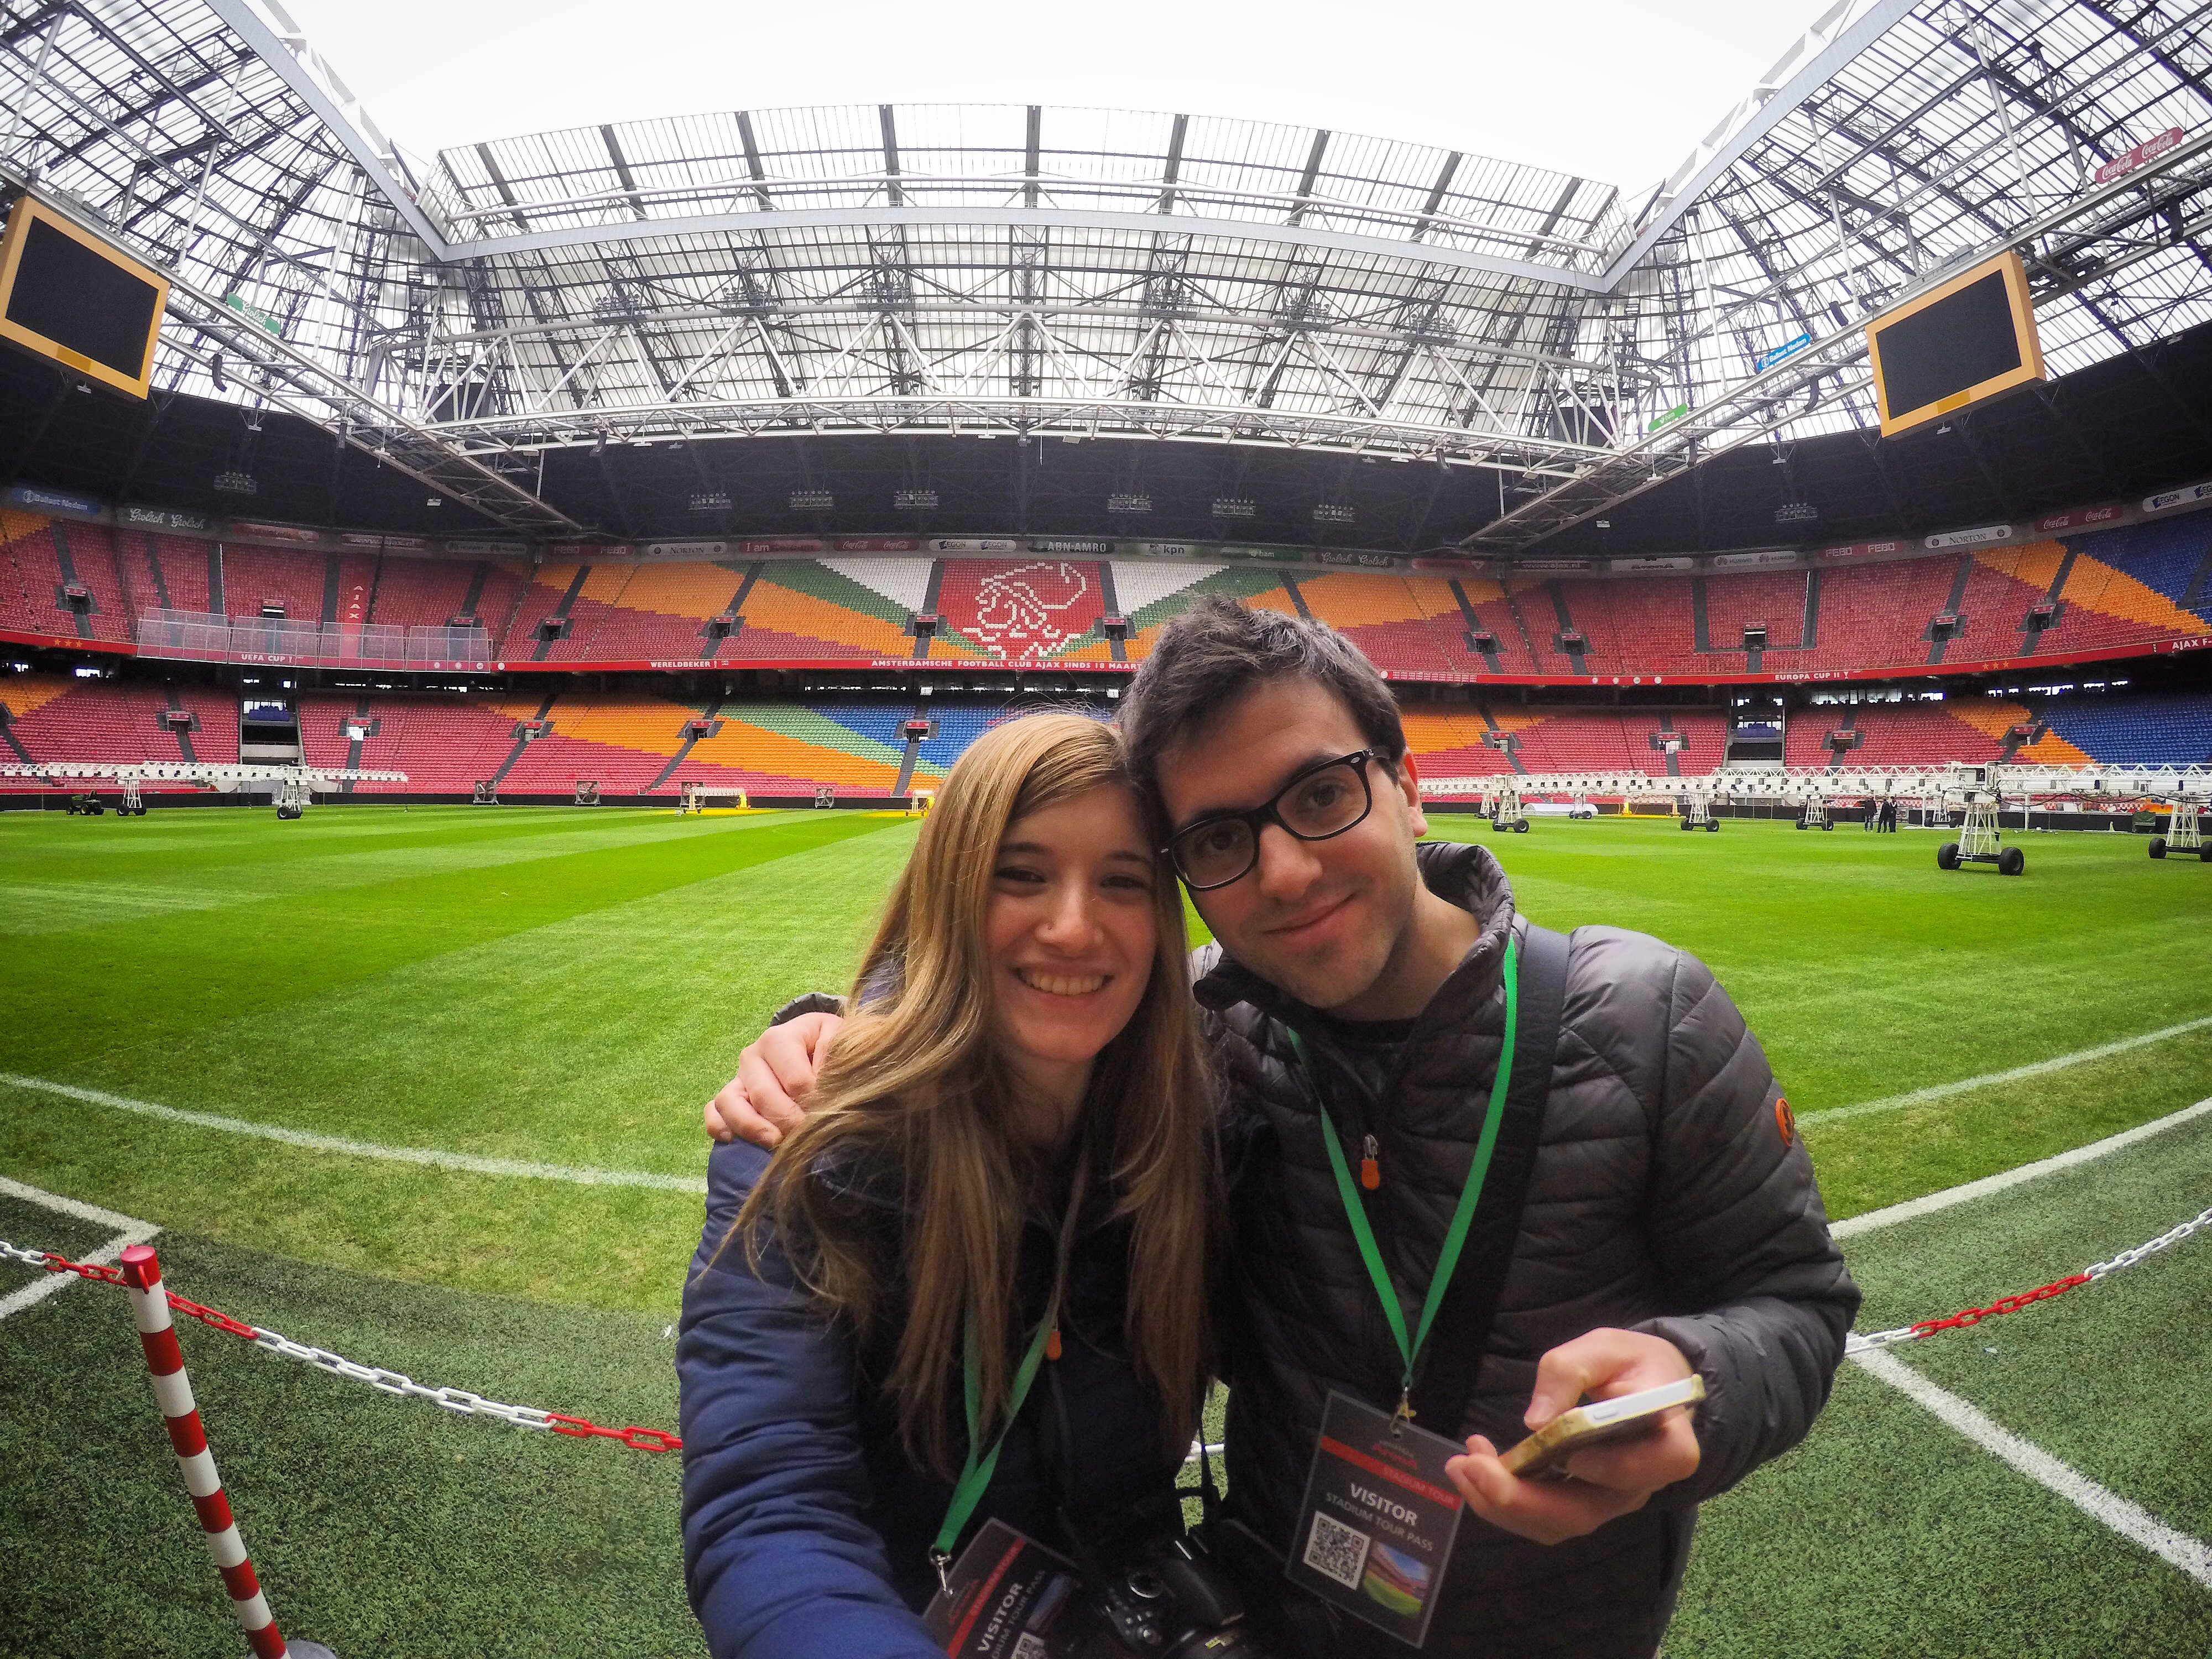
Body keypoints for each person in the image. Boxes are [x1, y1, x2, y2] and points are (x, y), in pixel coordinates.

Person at [710, 599, 1860, 1659]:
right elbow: (1002, 999)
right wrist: (829, 1030)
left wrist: (1692, 1377)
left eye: (1319, 796)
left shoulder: (1648, 1017)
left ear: (1405, 780)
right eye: (1216, 840)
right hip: (1269, 1618)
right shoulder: (1198, 1044)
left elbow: (1796, 1303)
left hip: (1553, 1630)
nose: (1285, 870)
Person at [678, 712, 1222, 1659]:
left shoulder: (1200, 1131)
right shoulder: (799, 1142)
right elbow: (770, 1507)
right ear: (951, 891)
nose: (1072, 925)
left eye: (1123, 882)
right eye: (1022, 874)